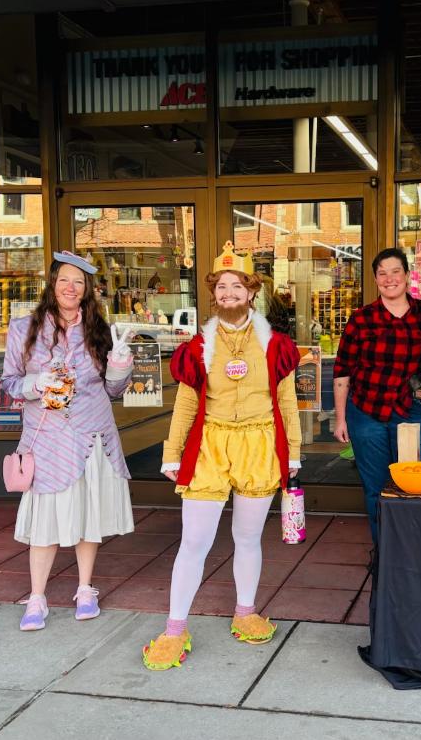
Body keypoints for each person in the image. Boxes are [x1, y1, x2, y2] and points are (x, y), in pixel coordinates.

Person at [142, 241, 301, 671]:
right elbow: (186, 405)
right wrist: (172, 452)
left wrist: (294, 455)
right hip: (210, 445)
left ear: (252, 292)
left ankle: (245, 611)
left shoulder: (275, 344)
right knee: (194, 541)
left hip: (259, 444)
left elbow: (287, 403)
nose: (229, 293)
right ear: (214, 295)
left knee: (248, 538)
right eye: (222, 286)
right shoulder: (198, 346)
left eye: (237, 285)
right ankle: (175, 628)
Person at [2, 251, 135, 631]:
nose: (70, 288)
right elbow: (10, 384)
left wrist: (121, 363)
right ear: (53, 284)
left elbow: (113, 390)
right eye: (64, 280)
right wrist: (34, 384)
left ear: (87, 289)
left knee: (88, 515)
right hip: (48, 438)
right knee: (45, 520)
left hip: (94, 433)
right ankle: (38, 597)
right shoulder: (23, 328)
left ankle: (85, 588)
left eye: (78, 282)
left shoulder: (98, 330)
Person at [332, 247, 421, 545]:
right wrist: (340, 418)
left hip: (412, 409)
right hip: (366, 412)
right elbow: (343, 372)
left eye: (395, 271)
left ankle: (415, 552)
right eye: (382, 273)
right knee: (376, 487)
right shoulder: (361, 319)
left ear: (407, 276)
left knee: (417, 486)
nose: (389, 278)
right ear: (376, 279)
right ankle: (385, 554)